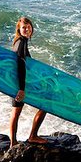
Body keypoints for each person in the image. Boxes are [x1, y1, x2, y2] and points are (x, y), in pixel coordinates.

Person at [9, 17, 48, 148]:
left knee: (17, 112)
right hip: (19, 85)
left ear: (32, 28)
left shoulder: (21, 41)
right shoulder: (20, 42)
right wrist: (21, 89)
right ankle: (23, 139)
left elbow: (26, 65)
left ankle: (22, 139)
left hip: (21, 83)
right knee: (43, 105)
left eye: (28, 27)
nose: (26, 29)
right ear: (19, 30)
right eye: (24, 28)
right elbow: (20, 65)